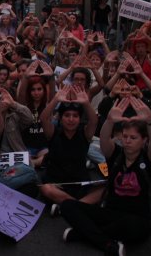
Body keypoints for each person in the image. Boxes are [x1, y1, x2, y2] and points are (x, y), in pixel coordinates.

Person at [61, 96, 151, 255]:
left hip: (135, 218)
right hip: (110, 212)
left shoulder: (148, 160)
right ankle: (106, 243)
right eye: (125, 136)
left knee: (132, 227)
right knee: (67, 205)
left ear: (144, 140)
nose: (127, 141)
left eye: (133, 138)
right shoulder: (116, 156)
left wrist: (150, 121)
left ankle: (85, 234)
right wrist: (109, 120)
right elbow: (104, 140)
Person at [39, 85, 102, 216]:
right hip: (57, 183)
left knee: (104, 188)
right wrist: (56, 99)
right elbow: (44, 118)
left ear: (80, 119)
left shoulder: (84, 133)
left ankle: (67, 206)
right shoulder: (53, 133)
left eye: (75, 116)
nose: (71, 119)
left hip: (79, 183)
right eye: (67, 115)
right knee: (45, 188)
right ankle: (80, 206)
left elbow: (94, 121)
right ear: (60, 119)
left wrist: (85, 103)